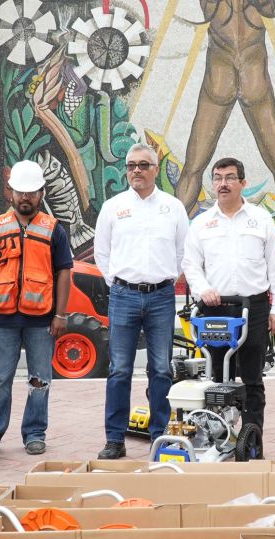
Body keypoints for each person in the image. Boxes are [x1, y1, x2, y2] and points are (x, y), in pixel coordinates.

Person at [174, 0, 275, 274]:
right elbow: (268, 11)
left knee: (192, 169)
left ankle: (170, 256)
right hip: (253, 74)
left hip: (219, 74)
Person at [0, 161, 73, 455]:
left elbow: (64, 272)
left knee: (40, 380)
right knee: (0, 380)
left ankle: (34, 432)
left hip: (41, 320)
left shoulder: (54, 230)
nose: (24, 198)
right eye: (19, 192)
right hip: (4, 317)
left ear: (41, 193)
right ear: (10, 193)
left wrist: (61, 314)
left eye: (30, 193)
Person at [94, 143, 190, 459]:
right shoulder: (113, 207)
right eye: (132, 165)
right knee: (119, 369)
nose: (137, 170)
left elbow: (182, 252)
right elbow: (102, 253)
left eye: (144, 165)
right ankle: (114, 439)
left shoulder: (173, 207)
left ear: (156, 168)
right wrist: (118, 282)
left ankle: (160, 438)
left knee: (161, 369)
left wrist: (165, 278)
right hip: (123, 296)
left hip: (162, 297)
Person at [182, 157, 275, 441]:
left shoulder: (261, 219)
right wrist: (203, 289)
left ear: (243, 183)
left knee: (253, 378)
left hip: (252, 308)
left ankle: (252, 439)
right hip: (215, 310)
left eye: (230, 178)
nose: (223, 184)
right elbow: (191, 264)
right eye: (217, 178)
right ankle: (217, 434)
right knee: (216, 376)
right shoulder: (202, 223)